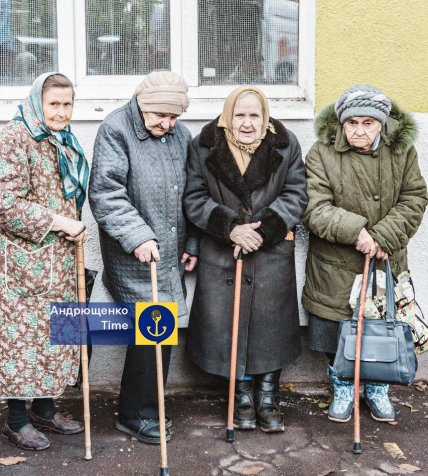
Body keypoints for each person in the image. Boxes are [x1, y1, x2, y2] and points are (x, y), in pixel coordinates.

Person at [183, 86, 307, 433]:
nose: (247, 123)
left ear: (265, 118)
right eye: (240, 115)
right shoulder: (204, 145)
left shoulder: (286, 144)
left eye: (255, 115)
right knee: (228, 324)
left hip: (270, 251)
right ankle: (240, 396)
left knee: (270, 326)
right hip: (223, 250)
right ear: (227, 117)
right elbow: (194, 197)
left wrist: (262, 230)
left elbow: (296, 194)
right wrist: (232, 228)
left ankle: (268, 397)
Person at [302, 85, 428, 423]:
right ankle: (342, 384)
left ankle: (377, 387)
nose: (359, 130)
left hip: (386, 259)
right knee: (335, 328)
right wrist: (356, 233)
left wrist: (383, 236)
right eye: (352, 122)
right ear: (341, 123)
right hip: (336, 263)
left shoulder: (402, 152)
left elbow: (415, 197)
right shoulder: (321, 153)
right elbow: (314, 207)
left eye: (368, 123)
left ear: (382, 124)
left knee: (382, 328)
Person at [89, 71, 198, 444]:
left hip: (169, 251)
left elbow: (192, 192)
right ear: (140, 103)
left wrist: (193, 242)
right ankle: (136, 414)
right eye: (158, 116)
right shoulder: (115, 129)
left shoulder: (179, 135)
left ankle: (143, 411)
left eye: (173, 117)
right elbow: (106, 192)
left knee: (157, 332)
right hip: (134, 254)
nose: (166, 124)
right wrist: (138, 236)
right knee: (152, 331)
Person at [0, 72, 89, 450]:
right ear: (38, 101)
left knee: (59, 335)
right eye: (54, 103)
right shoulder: (15, 138)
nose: (62, 111)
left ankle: (45, 409)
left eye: (67, 104)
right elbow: (5, 204)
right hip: (26, 264)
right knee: (24, 342)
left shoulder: (62, 140)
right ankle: (16, 419)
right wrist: (57, 221)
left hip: (62, 260)